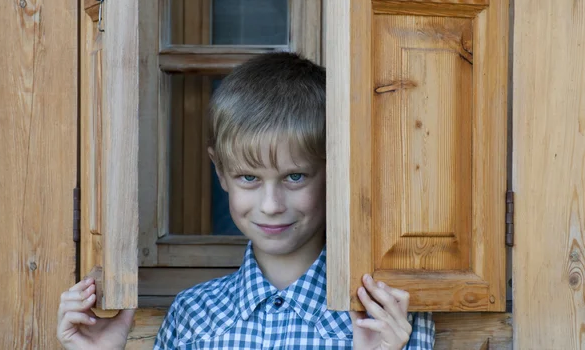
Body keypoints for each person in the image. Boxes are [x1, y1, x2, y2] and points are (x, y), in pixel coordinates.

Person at [57, 52, 435, 349]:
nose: (271, 204)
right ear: (221, 173)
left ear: (335, 175)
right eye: (249, 178)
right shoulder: (193, 317)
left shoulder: (386, 319)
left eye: (295, 176)